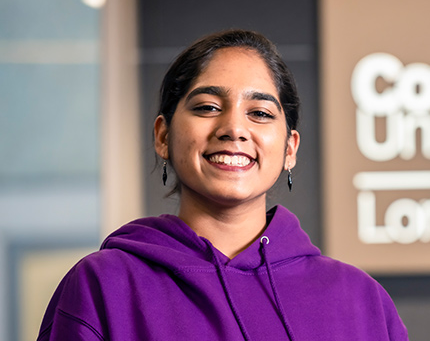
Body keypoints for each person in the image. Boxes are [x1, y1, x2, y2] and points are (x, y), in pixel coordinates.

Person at [37, 29, 408, 340]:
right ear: (163, 136)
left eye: (260, 113)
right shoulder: (104, 286)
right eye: (207, 107)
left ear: (290, 148)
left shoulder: (361, 301)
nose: (233, 128)